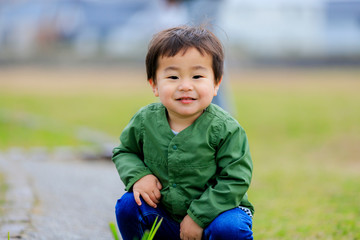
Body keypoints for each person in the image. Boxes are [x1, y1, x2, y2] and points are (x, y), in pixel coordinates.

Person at [112, 25, 254, 240]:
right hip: (165, 216)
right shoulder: (145, 120)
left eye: (197, 76)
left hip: (217, 215)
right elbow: (125, 151)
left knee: (230, 228)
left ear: (216, 83)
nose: (185, 86)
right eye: (173, 77)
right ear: (154, 84)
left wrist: (198, 216)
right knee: (129, 205)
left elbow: (235, 179)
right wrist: (140, 176)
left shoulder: (226, 128)